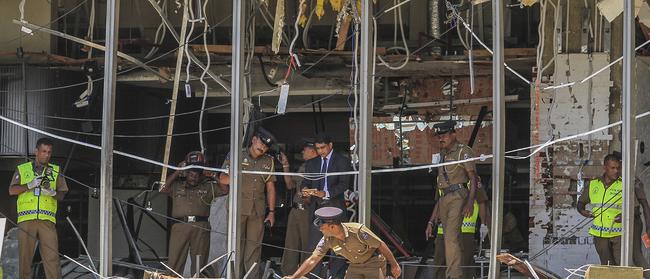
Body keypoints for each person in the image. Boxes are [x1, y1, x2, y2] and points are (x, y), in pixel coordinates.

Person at [220, 127, 277, 276]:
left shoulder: (268, 161)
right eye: (261, 143)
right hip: (237, 209)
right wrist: (237, 172)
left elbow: (270, 188)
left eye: (266, 146)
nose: (263, 147)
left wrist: (271, 212)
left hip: (257, 211)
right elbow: (223, 179)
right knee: (235, 246)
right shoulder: (236, 155)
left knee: (254, 248)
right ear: (253, 140)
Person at [282, 207, 401, 279]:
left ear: (332, 226)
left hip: (373, 263)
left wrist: (394, 265)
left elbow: (380, 245)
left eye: (322, 227)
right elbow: (313, 259)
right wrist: (294, 277)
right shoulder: (327, 239)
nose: (320, 230)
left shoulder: (357, 231)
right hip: (354, 265)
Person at [9, 138, 68, 279]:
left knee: (52, 258)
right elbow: (12, 190)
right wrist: (29, 185)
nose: (46, 155)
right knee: (25, 259)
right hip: (26, 220)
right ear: (36, 151)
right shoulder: (22, 169)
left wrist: (53, 193)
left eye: (49, 152)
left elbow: (62, 194)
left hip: (47, 221)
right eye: (43, 151)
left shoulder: (55, 171)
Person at [576, 153, 650, 267]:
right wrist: (582, 210)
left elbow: (638, 207)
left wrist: (626, 216)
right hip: (599, 235)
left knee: (628, 262)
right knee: (607, 266)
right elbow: (580, 203)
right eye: (613, 168)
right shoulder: (594, 184)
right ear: (605, 168)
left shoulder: (627, 184)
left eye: (618, 168)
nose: (616, 171)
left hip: (620, 233)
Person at [159, 151, 226, 275]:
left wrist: (213, 175)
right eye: (191, 174)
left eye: (197, 174)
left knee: (199, 264)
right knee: (175, 262)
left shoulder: (207, 186)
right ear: (186, 172)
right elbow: (163, 189)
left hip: (201, 227)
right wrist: (177, 171)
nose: (193, 177)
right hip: (180, 226)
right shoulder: (177, 185)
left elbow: (225, 190)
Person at [430, 120, 478, 279]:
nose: (440, 139)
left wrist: (470, 202)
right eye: (439, 136)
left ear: (453, 134)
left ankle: (454, 275)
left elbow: (473, 178)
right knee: (448, 238)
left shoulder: (463, 152)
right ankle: (454, 272)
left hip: (458, 195)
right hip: (445, 197)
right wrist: (433, 216)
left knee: (451, 237)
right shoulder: (444, 155)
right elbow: (440, 186)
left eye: (444, 135)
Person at [301, 133, 352, 278]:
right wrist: (304, 190)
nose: (320, 151)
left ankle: (336, 277)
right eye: (317, 148)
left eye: (323, 147)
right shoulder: (312, 163)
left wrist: (326, 193)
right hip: (317, 210)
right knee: (314, 247)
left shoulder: (342, 161)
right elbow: (306, 182)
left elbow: (344, 184)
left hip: (335, 208)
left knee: (338, 247)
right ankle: (313, 277)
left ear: (330, 145)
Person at [426, 182, 488, 279]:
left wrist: (483, 224)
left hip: (465, 230)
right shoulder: (441, 177)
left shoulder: (471, 178)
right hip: (443, 230)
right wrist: (431, 222)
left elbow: (481, 201)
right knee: (439, 265)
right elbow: (439, 201)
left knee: (462, 267)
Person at [280, 139, 319, 275]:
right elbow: (290, 185)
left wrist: (308, 196)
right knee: (291, 243)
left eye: (305, 149)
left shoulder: (319, 167)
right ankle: (288, 274)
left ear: (313, 151)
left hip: (308, 211)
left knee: (306, 246)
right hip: (295, 210)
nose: (303, 151)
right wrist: (285, 165)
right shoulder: (304, 166)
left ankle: (305, 275)